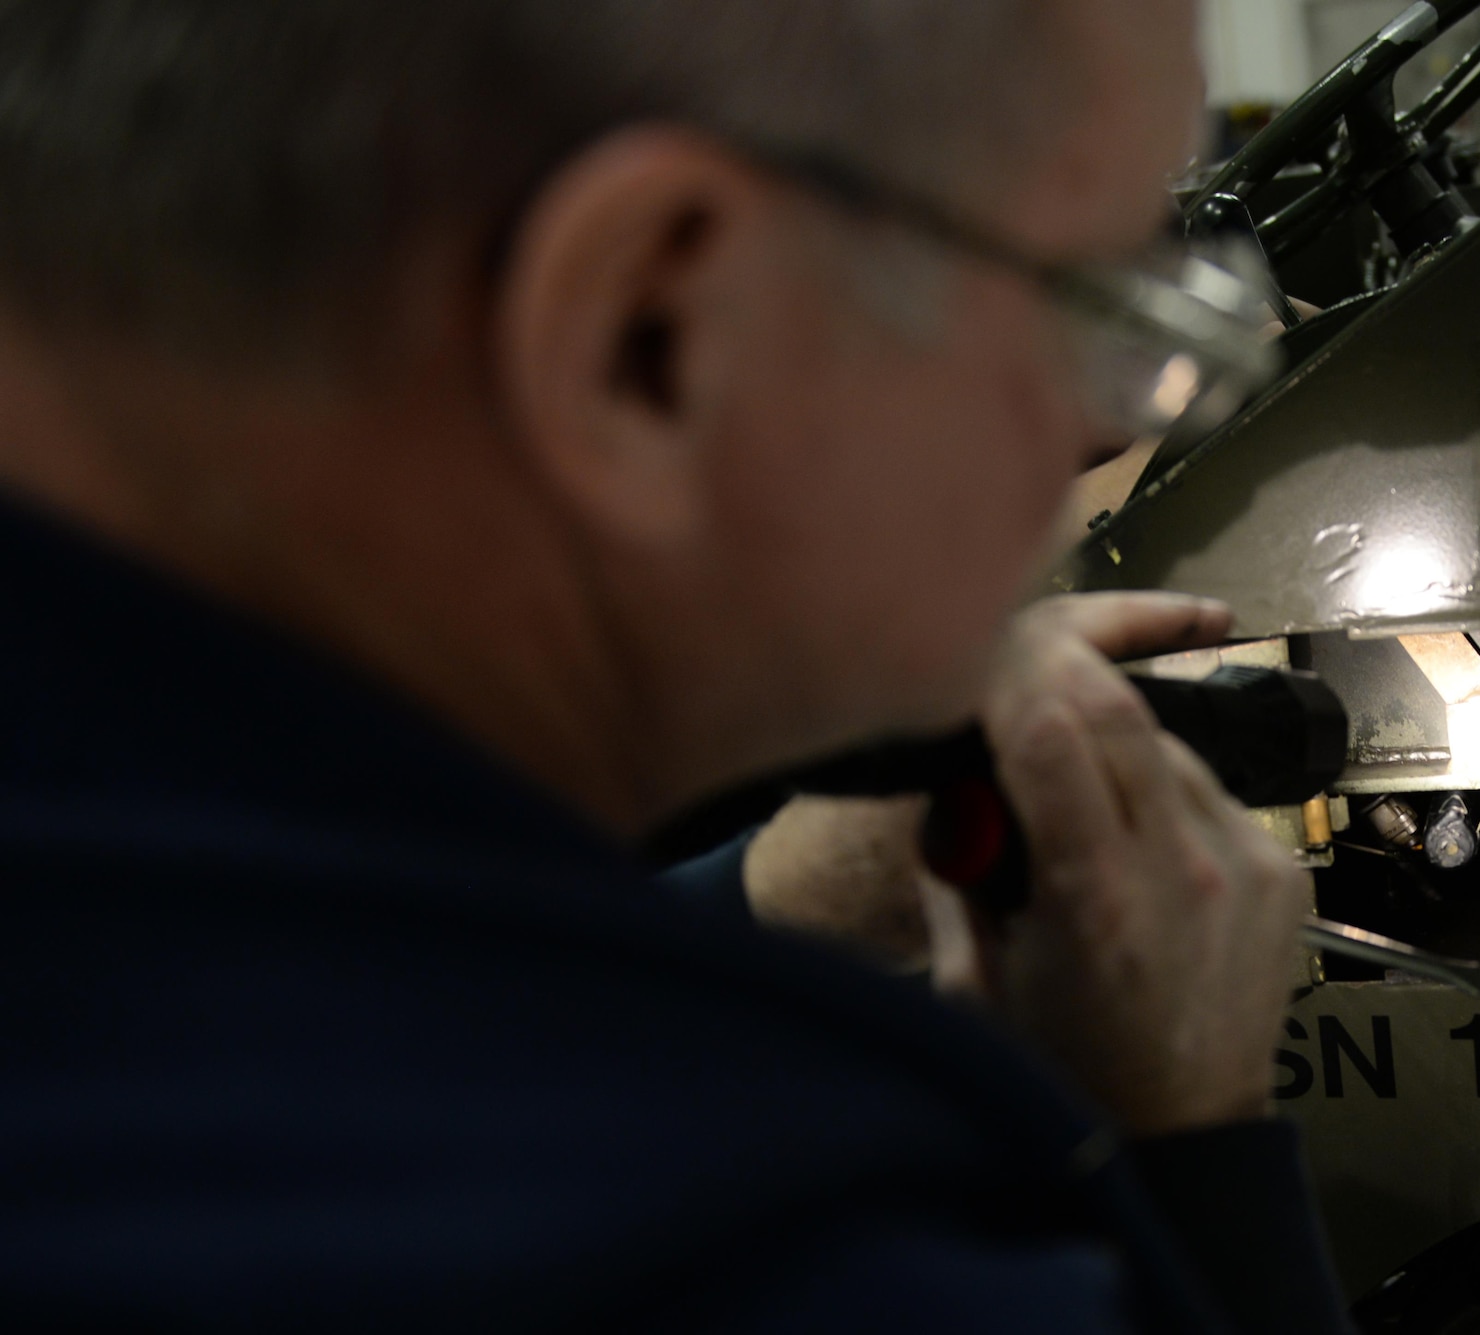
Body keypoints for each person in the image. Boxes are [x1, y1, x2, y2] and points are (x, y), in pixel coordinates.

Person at [0, 2, 1350, 1330]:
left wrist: (773, 897)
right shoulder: (758, 1263)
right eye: (1099, 312)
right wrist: (1187, 1162)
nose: (1102, 431)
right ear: (650, 331)